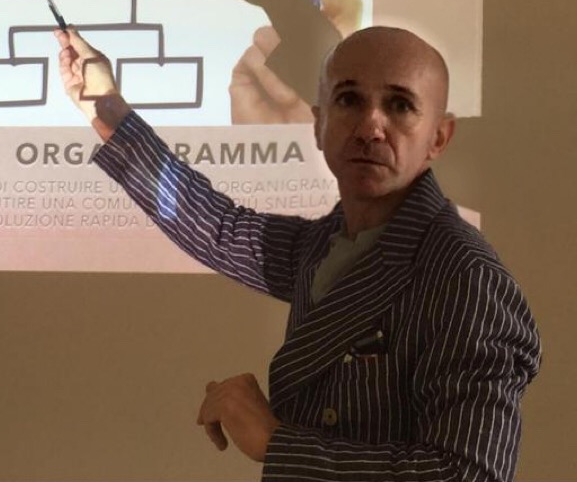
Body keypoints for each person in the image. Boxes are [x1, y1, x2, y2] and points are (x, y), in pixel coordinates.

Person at [56, 24, 540, 482]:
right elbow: (217, 227)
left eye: (399, 105)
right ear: (318, 123)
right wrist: (108, 109)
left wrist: (277, 443)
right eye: (349, 99)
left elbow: (469, 472)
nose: (371, 127)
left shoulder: (466, 276)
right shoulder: (326, 243)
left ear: (438, 137)